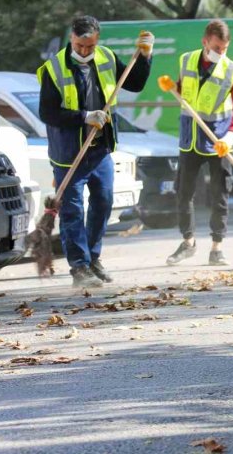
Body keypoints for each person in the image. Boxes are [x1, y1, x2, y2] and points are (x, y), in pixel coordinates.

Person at [38, 15, 154, 288]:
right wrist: (84, 116)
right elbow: (48, 113)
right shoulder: (53, 69)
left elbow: (134, 83)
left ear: (97, 40)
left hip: (99, 148)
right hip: (69, 152)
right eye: (79, 45)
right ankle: (78, 266)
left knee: (103, 202)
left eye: (89, 46)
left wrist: (146, 56)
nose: (84, 51)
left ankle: (93, 258)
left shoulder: (106, 58)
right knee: (73, 209)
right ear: (71, 39)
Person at [166, 20, 233, 266]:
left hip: (217, 141)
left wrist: (229, 137)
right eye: (216, 48)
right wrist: (173, 87)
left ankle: (216, 247)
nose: (221, 53)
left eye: (224, 49)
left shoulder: (232, 70)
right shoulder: (187, 60)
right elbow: (185, 92)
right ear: (205, 42)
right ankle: (188, 242)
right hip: (189, 139)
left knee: (219, 194)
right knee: (183, 193)